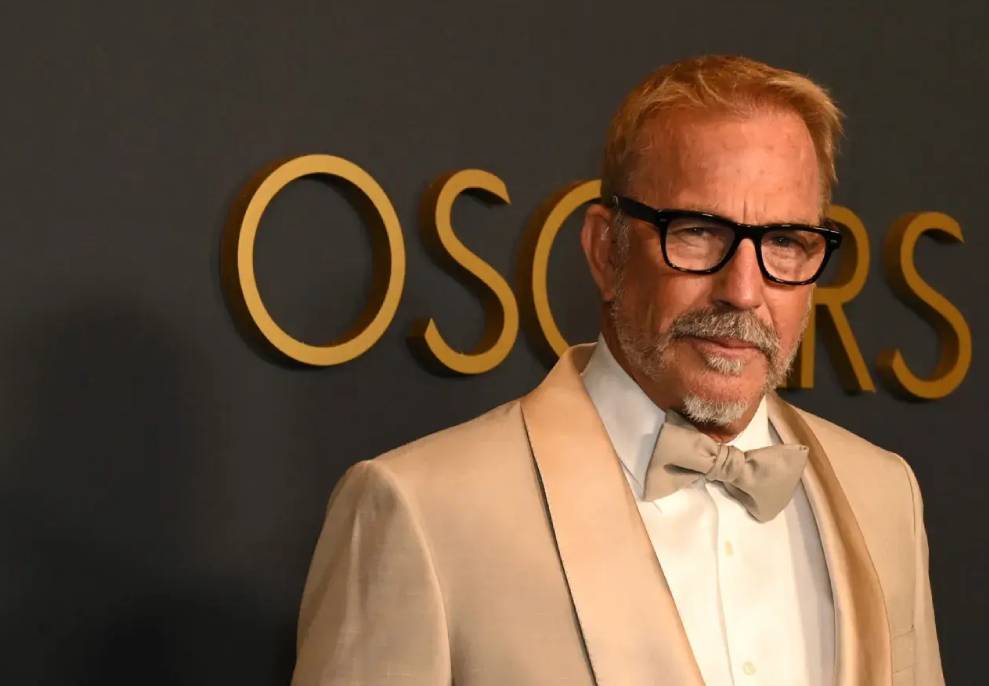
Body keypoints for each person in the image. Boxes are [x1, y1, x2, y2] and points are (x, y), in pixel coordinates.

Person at [291, 54, 944, 686]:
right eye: (697, 232)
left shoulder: (884, 495)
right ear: (607, 251)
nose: (743, 291)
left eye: (784, 242)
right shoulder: (422, 512)